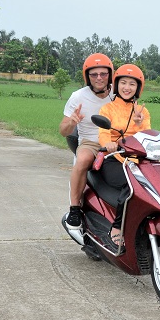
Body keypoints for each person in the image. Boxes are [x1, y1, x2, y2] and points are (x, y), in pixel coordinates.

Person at [96, 64, 151, 248]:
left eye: (132, 84)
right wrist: (108, 144)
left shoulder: (142, 112)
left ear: (138, 88)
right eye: (124, 83)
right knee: (132, 184)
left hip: (136, 160)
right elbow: (103, 133)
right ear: (117, 84)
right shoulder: (108, 109)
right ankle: (117, 227)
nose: (127, 88)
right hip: (114, 158)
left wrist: (139, 123)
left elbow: (147, 136)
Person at [59, 53, 113, 229]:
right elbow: (63, 130)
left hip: (115, 142)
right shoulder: (78, 97)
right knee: (82, 160)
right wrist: (72, 122)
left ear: (110, 75)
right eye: (94, 74)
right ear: (87, 76)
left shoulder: (118, 93)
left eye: (103, 74)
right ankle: (75, 209)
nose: (99, 78)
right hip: (91, 142)